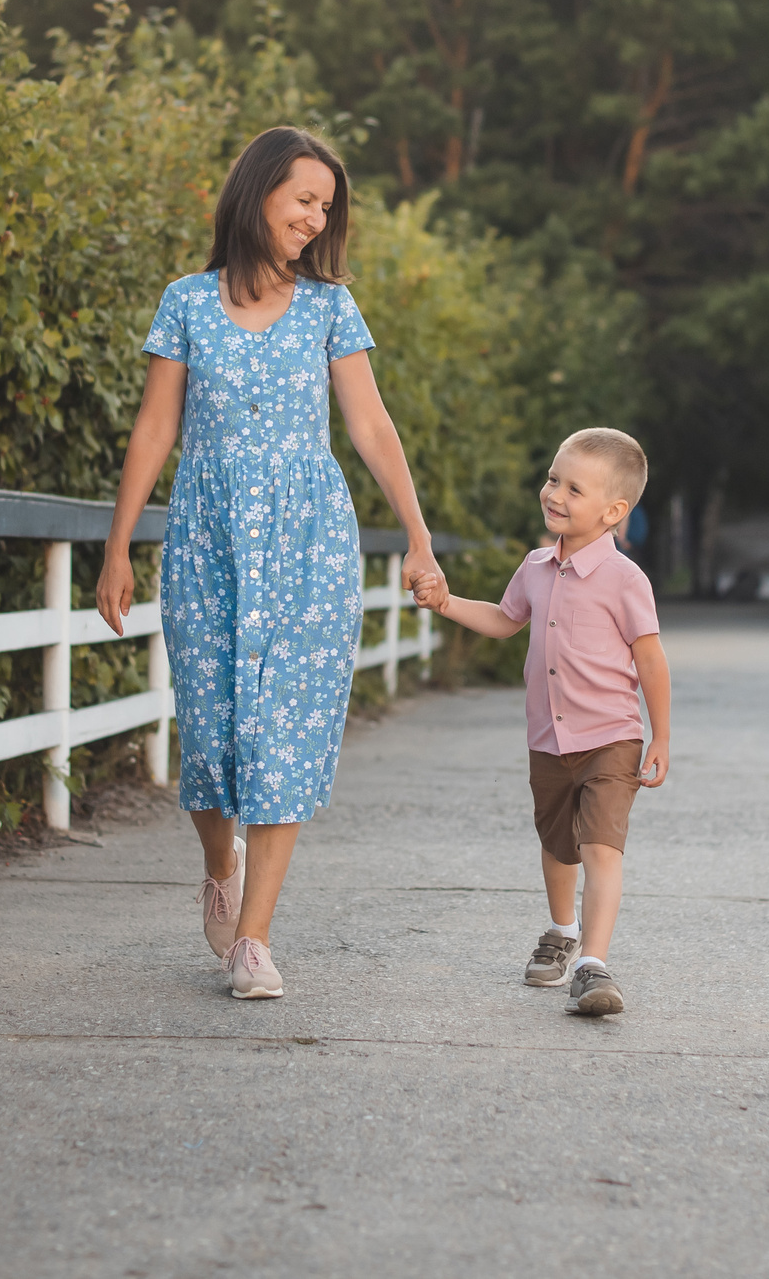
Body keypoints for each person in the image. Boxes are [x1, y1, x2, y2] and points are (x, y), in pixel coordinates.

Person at [96, 127, 444, 1001]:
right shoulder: (186, 301)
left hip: (309, 541)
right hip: (206, 538)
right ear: (257, 195)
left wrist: (418, 532)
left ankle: (254, 938)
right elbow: (155, 429)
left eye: (326, 206)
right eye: (304, 199)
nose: (316, 218)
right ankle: (222, 859)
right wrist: (117, 546)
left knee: (285, 729)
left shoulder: (331, 305)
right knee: (210, 732)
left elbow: (369, 425)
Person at [416, 428, 670, 1016]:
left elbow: (651, 661)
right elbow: (506, 620)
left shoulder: (626, 580)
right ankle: (562, 931)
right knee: (559, 846)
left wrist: (661, 734)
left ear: (613, 512)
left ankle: (593, 964)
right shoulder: (534, 568)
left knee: (602, 845)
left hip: (612, 735)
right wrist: (446, 602)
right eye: (553, 479)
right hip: (548, 738)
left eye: (573, 488)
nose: (554, 493)